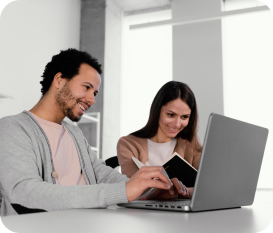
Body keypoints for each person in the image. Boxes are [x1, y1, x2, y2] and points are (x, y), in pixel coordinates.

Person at [0, 49, 187, 216]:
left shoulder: (74, 133)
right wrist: (125, 191)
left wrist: (148, 190)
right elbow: (23, 192)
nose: (91, 99)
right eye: (87, 87)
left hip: (92, 223)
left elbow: (101, 173)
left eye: (95, 93)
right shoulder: (13, 127)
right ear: (59, 80)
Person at [117, 81, 202, 198]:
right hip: (141, 214)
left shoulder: (191, 144)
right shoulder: (128, 144)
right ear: (157, 111)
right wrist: (175, 191)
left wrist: (183, 190)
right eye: (171, 115)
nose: (177, 124)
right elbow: (131, 190)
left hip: (182, 213)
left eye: (184, 117)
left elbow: (208, 187)